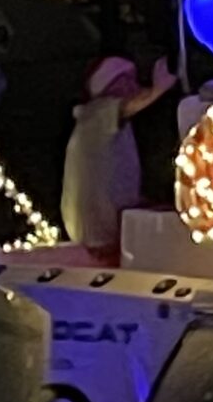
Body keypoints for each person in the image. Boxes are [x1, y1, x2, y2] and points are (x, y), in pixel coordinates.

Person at [60, 54, 176, 261]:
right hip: (98, 231)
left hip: (111, 223)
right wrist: (159, 88)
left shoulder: (111, 124)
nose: (133, 84)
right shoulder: (95, 114)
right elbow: (133, 103)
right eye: (125, 80)